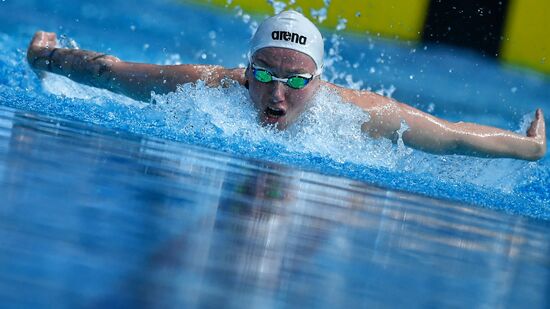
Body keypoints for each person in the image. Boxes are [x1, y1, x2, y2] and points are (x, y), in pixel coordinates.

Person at [26, 11, 546, 161]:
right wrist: (47, 56)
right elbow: (111, 72)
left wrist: (526, 147)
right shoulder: (208, 91)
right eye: (267, 75)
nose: (278, 93)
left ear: (319, 80)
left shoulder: (354, 116)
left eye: (297, 79)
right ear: (247, 71)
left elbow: (453, 134)